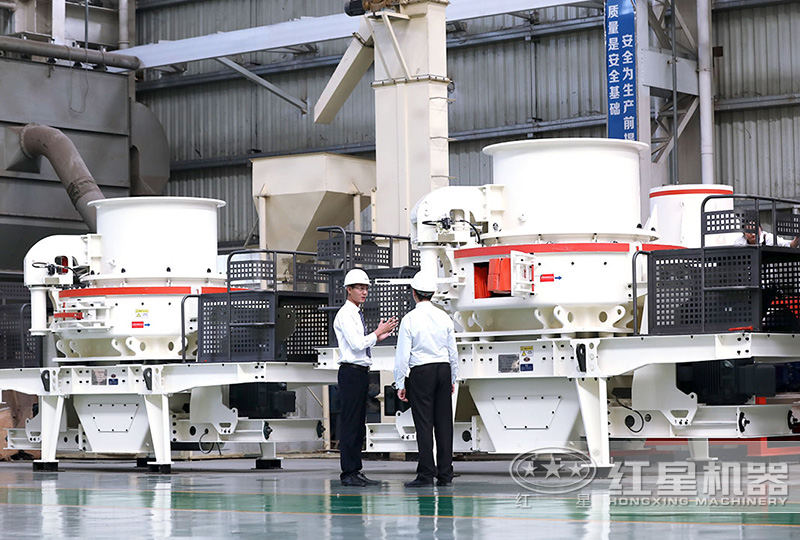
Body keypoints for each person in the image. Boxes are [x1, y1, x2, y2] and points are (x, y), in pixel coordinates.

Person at [334, 268, 398, 487]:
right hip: (351, 372)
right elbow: (356, 344)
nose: (364, 292)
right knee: (351, 423)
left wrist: (377, 337)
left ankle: (355, 470)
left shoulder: (355, 313)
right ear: (348, 289)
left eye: (366, 288)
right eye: (360, 288)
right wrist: (376, 333)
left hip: (359, 372)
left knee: (358, 423)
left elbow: (360, 344)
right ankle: (348, 473)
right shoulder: (346, 314)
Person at [394, 271, 458, 487]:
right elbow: (452, 351)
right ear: (432, 293)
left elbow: (402, 355)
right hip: (443, 369)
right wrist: (453, 377)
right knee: (444, 423)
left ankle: (426, 474)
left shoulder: (409, 319)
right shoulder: (444, 317)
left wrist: (400, 383)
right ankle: (445, 474)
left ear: (414, 293)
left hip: (422, 372)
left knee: (424, 424)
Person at [734, 226, 799, 247]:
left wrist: (798, 238)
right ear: (744, 233)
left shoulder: (768, 238)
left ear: (760, 228)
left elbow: (790, 245)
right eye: (749, 231)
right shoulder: (739, 242)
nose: (753, 234)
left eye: (755, 229)